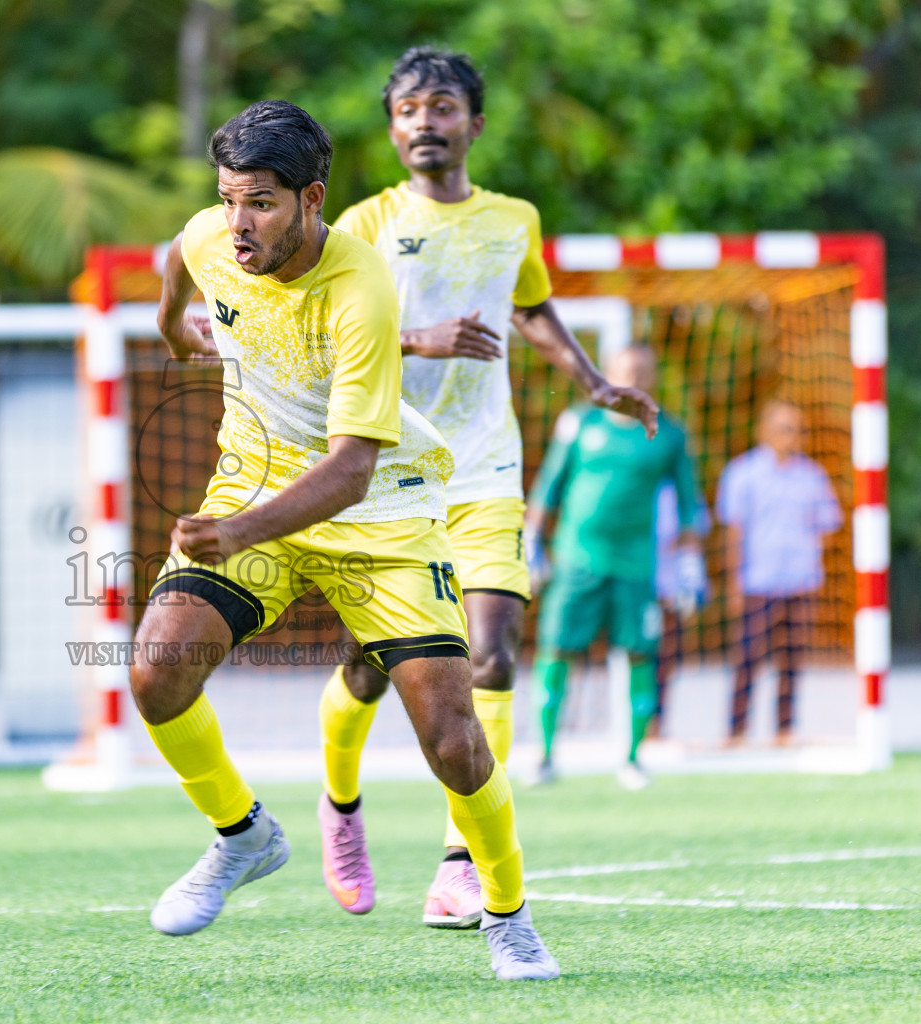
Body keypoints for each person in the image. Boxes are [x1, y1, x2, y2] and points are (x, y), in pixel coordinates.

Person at [138, 99, 559, 980]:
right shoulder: (208, 238)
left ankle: (509, 914)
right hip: (252, 493)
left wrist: (234, 532)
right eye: (227, 199)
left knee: (453, 733)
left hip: (383, 516)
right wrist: (176, 328)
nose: (237, 222)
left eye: (259, 202)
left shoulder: (363, 285)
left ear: (311, 199)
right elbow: (177, 275)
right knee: (156, 668)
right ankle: (243, 836)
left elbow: (351, 473)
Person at [313, 46, 658, 930]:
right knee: (370, 665)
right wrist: (416, 341)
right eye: (408, 111)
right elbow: (325, 346)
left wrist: (594, 383)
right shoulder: (363, 226)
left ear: (474, 122)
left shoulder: (515, 220)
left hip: (484, 466)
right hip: (387, 473)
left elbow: (532, 307)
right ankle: (341, 807)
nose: (424, 123)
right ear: (392, 130)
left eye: (441, 107)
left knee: (491, 654)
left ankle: (459, 864)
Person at [527, 346, 701, 790]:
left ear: (654, 376)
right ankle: (545, 755)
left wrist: (691, 563)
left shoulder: (668, 434)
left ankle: (632, 758)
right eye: (627, 371)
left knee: (640, 653)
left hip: (636, 567)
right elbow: (550, 484)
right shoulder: (580, 422)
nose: (635, 378)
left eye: (643, 371)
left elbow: (689, 505)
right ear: (609, 375)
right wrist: (531, 544)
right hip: (576, 562)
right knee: (557, 650)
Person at [716, 399, 841, 745]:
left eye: (797, 428)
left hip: (800, 581)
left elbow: (827, 526)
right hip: (759, 580)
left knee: (793, 657)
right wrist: (734, 582)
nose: (792, 435)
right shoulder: (744, 472)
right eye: (785, 427)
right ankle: (737, 729)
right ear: (765, 431)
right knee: (748, 657)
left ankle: (785, 728)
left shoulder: (812, 475)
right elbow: (733, 531)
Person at [649, 483, 709, 738]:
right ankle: (630, 722)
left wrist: (693, 582)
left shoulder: (684, 490)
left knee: (665, 660)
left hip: (669, 590)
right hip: (634, 586)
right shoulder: (632, 480)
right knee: (635, 656)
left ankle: (656, 725)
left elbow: (695, 537)